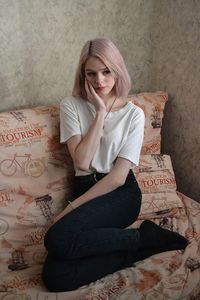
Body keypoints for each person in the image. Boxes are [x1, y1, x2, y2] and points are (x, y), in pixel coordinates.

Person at [42, 38, 188, 292]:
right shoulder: (71, 106)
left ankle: (140, 236)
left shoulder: (134, 114)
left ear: (118, 71)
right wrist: (99, 113)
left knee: (55, 238)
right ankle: (140, 245)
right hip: (86, 190)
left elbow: (119, 177)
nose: (100, 81)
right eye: (92, 73)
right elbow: (82, 161)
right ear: (83, 75)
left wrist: (70, 209)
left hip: (121, 195)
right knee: (56, 277)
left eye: (107, 71)